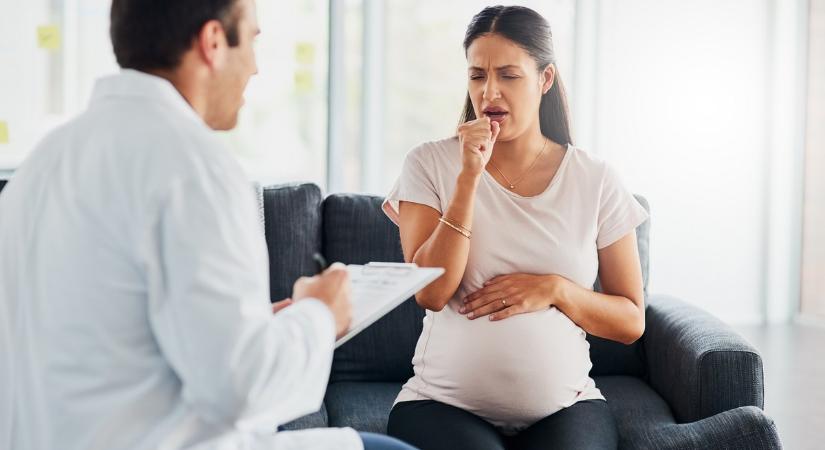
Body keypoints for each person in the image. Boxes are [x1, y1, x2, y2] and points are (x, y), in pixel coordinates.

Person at [0, 1, 416, 449]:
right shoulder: (192, 166)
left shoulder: (43, 163)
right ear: (213, 42)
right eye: (253, 40)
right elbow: (242, 388)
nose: (255, 68)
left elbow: (118, 333)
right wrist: (320, 314)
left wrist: (260, 323)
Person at [382, 5, 649, 450]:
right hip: (439, 406)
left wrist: (555, 289)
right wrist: (468, 177)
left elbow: (630, 320)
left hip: (568, 405)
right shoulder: (429, 163)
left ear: (545, 80)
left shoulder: (595, 178)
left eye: (509, 75)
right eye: (477, 76)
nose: (489, 93)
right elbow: (431, 292)